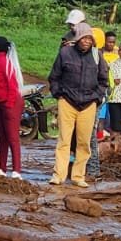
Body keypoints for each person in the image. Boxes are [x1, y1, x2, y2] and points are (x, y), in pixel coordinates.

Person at [47, 25, 109, 189]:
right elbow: (54, 77)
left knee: (84, 142)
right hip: (67, 101)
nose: (87, 41)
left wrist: (97, 98)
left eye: (90, 39)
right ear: (78, 39)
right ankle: (58, 175)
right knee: (64, 141)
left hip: (89, 104)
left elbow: (104, 81)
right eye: (84, 38)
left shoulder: (97, 56)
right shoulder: (65, 53)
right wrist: (58, 95)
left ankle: (78, 176)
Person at [0, 36, 25, 178]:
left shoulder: (5, 63)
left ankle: (16, 170)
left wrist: (9, 106)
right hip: (0, 103)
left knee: (12, 137)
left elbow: (12, 86)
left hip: (10, 103)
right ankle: (1, 168)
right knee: (2, 136)